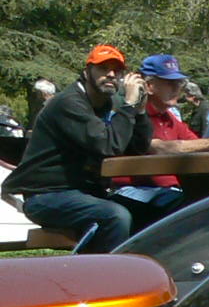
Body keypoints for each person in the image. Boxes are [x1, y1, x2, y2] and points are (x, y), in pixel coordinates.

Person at [2, 44, 162, 252]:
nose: (111, 75)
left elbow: (137, 148)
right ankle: (106, 279)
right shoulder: (69, 103)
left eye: (117, 70)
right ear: (87, 73)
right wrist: (128, 107)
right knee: (115, 215)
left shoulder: (111, 103)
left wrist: (139, 111)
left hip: (88, 193)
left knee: (162, 206)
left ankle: (151, 274)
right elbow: (108, 146)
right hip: (46, 196)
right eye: (103, 69)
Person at [107, 53, 209, 216]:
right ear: (149, 86)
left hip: (169, 192)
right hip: (133, 192)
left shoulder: (169, 117)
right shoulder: (131, 115)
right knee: (192, 207)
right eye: (170, 83)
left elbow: (195, 145)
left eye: (179, 83)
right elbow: (159, 148)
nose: (178, 88)